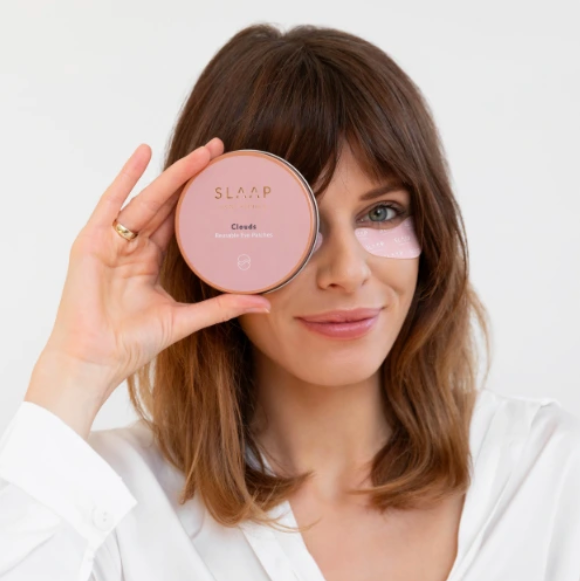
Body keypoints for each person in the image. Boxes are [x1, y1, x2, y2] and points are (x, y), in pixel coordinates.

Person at [0, 22, 579, 581]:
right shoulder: (108, 503)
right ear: (208, 249)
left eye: (382, 212)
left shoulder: (544, 471)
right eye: (296, 225)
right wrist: (76, 366)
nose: (347, 272)